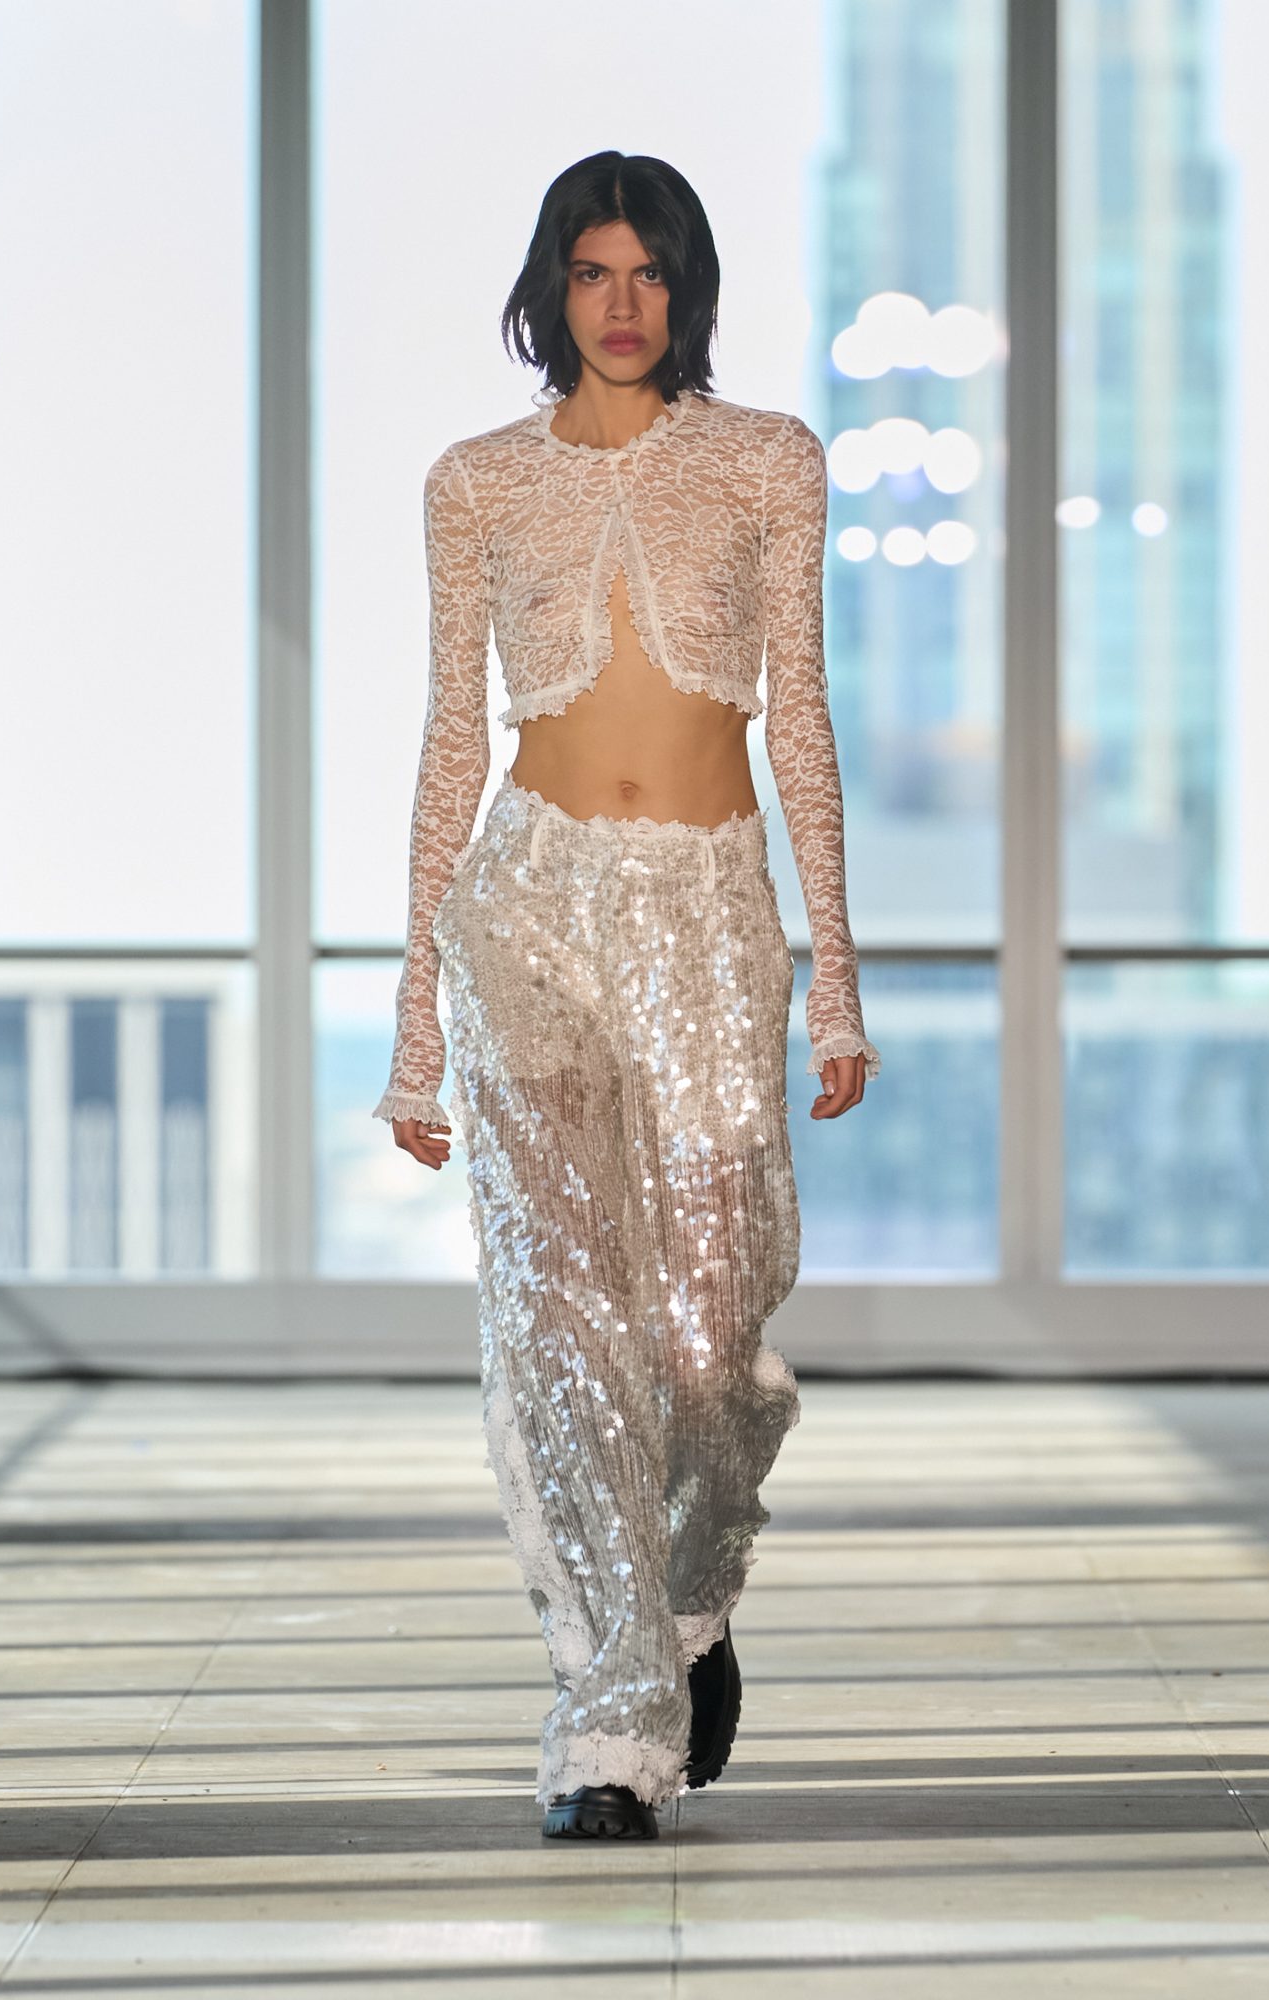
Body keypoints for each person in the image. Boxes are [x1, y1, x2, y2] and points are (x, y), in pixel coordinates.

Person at [371, 151, 878, 1840]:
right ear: (551, 288)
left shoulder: (767, 461)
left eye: (649, 272)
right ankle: (611, 1722)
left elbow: (801, 723)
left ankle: (688, 1592)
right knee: (564, 1318)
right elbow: (453, 743)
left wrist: (835, 984)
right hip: (526, 907)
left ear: (688, 290)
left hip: (709, 913)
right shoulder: (474, 482)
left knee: (712, 1326)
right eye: (592, 271)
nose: (621, 303)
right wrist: (416, 1028)